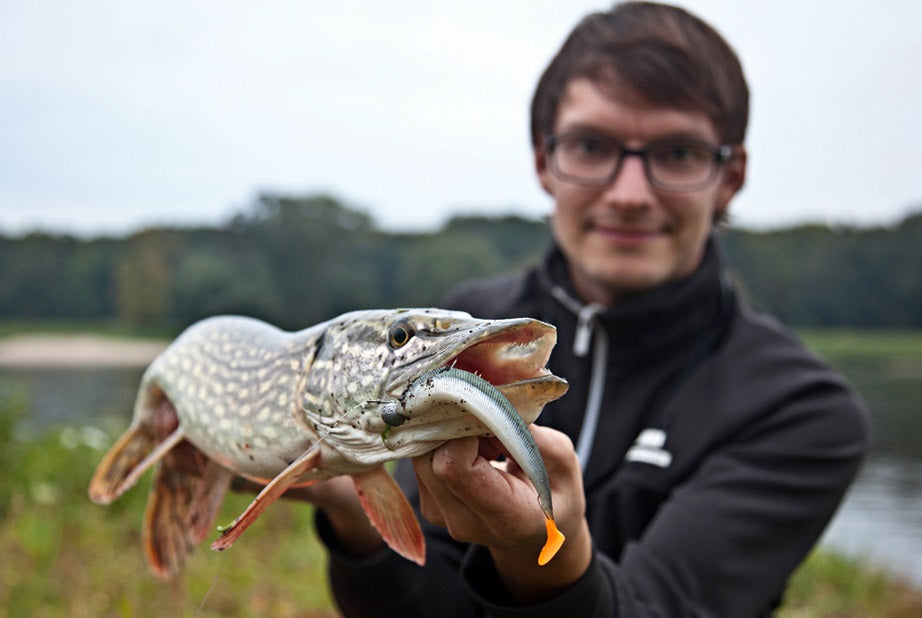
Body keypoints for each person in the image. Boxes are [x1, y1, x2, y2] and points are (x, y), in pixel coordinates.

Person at [306, 3, 870, 615]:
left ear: (729, 175)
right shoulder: (464, 327)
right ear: (544, 160)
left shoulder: (800, 409)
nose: (629, 194)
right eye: (592, 146)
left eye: (677, 153)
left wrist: (546, 554)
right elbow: (425, 603)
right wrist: (351, 511)